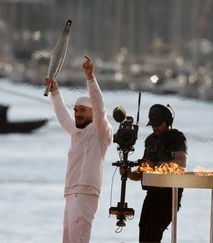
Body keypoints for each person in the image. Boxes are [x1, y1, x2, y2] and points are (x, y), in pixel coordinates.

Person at [44, 56, 113, 243]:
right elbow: (63, 116)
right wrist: (55, 92)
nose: (77, 114)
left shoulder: (101, 132)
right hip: (70, 193)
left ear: (92, 112)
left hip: (86, 194)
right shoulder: (76, 131)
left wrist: (90, 78)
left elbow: (99, 107)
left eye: (82, 110)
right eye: (76, 110)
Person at [122, 104, 187, 243]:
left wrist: (155, 167)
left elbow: (180, 164)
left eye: (158, 124)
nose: (155, 128)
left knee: (153, 233)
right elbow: (143, 170)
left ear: (168, 122)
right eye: (153, 125)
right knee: (144, 231)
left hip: (169, 195)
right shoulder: (151, 140)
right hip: (152, 194)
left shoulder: (177, 138)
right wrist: (129, 173)